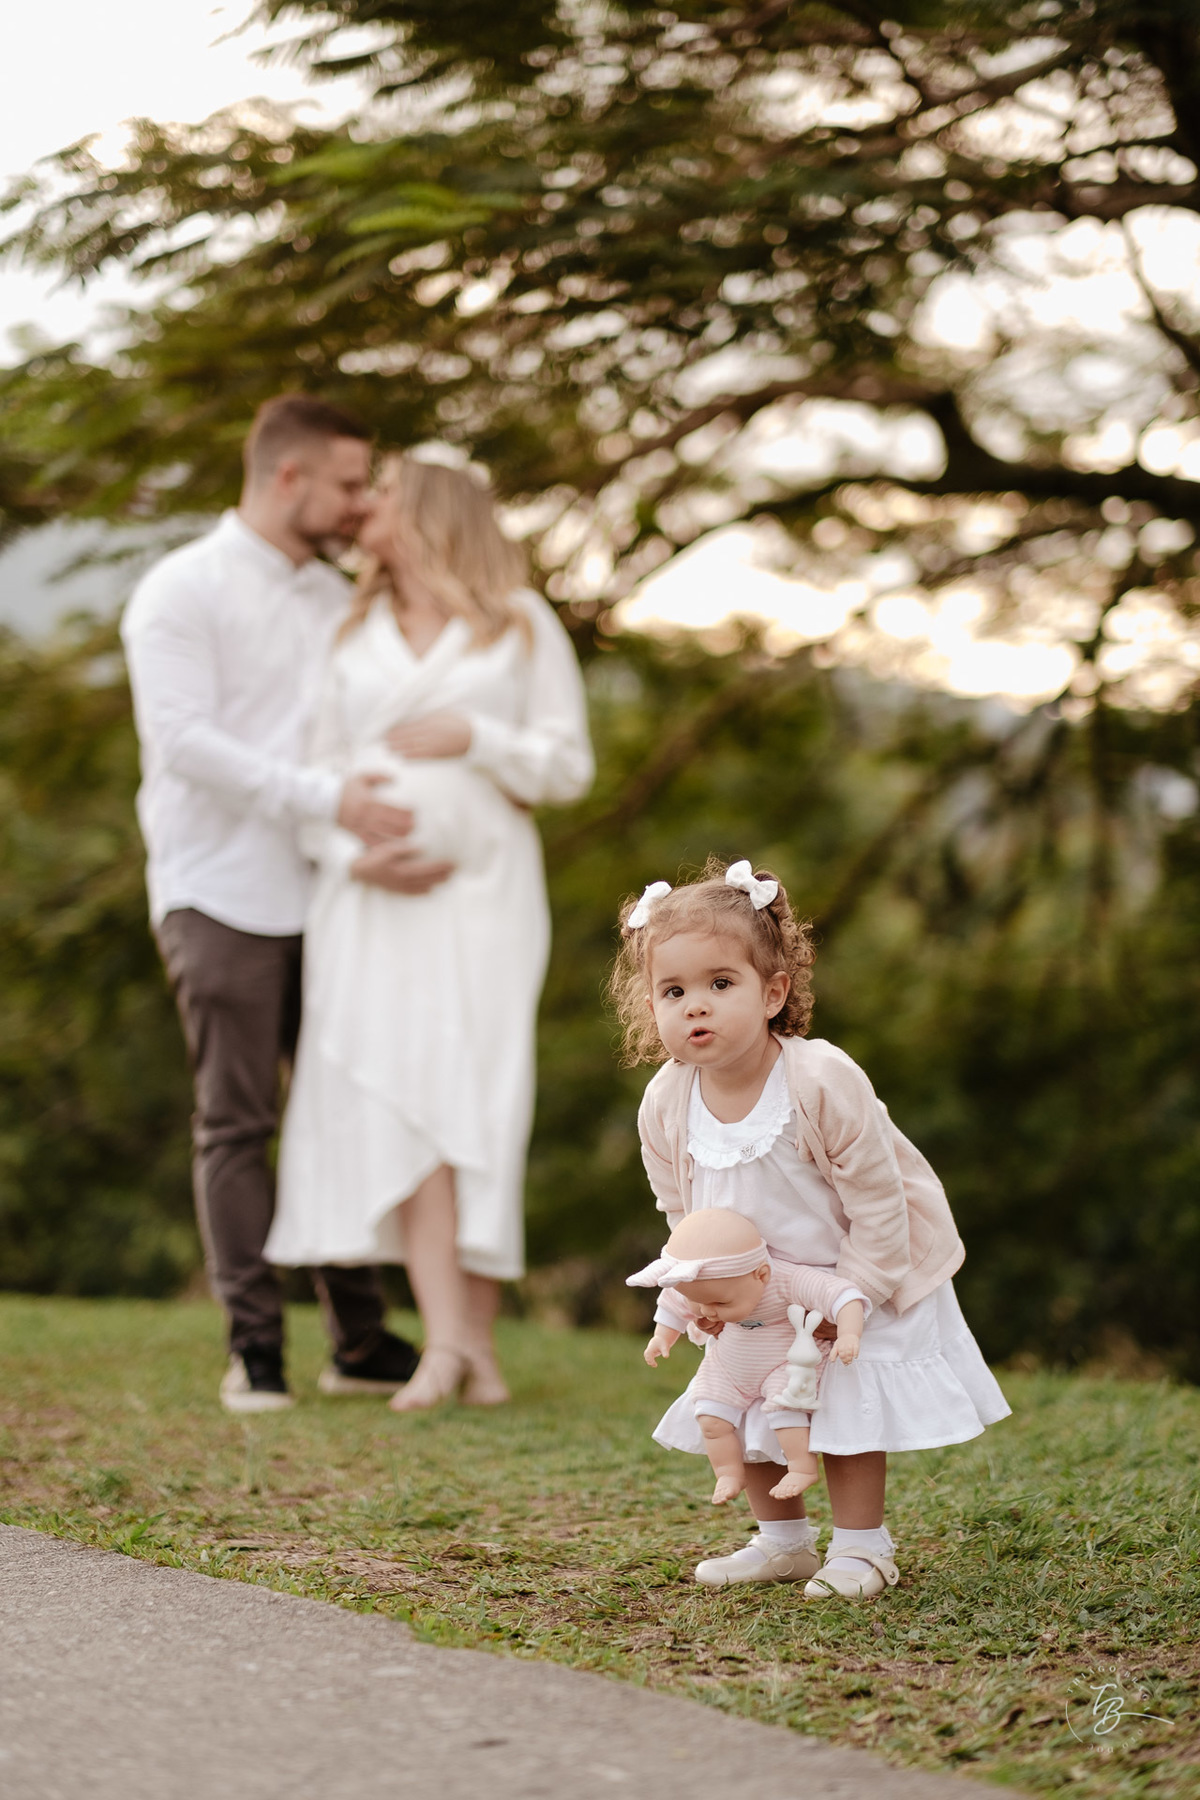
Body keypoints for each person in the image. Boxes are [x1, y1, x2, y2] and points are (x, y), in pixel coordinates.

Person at [122, 396, 449, 1414]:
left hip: (331, 891)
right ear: (289, 477)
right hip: (217, 889)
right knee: (238, 1119)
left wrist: (370, 836)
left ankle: (358, 1339)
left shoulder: (331, 603)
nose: (361, 504)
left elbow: (359, 740)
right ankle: (253, 1349)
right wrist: (330, 803)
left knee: (341, 1103)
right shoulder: (180, 590)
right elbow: (187, 745)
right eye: (351, 483)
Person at [265, 454, 594, 1411]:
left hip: (484, 897)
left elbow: (567, 767)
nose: (364, 506)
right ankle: (451, 1345)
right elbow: (310, 774)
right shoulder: (349, 629)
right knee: (405, 1098)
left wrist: (476, 740)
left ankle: (471, 1344)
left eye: (384, 493)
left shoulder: (520, 623)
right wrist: (346, 852)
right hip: (370, 903)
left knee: (479, 1099)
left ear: (431, 513)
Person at [609, 856, 1010, 1597]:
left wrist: (855, 1291)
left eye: (719, 984)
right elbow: (680, 1208)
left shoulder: (819, 1079)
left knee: (845, 1413)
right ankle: (783, 1541)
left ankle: (862, 1547)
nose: (695, 1006)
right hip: (750, 1288)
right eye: (674, 991)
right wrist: (699, 1283)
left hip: (854, 1269)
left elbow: (879, 1199)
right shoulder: (666, 1101)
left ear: (773, 993)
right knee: (750, 1399)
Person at [629, 1207, 866, 1502]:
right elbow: (674, 1304)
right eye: (699, 1302)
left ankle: (802, 1467)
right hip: (729, 1364)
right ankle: (728, 1472)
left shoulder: (786, 1280)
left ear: (761, 1274)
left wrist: (848, 1334)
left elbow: (843, 1295)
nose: (706, 1311)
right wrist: (661, 1337)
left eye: (718, 1303)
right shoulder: (702, 1288)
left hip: (783, 1361)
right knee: (709, 1415)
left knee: (787, 1408)